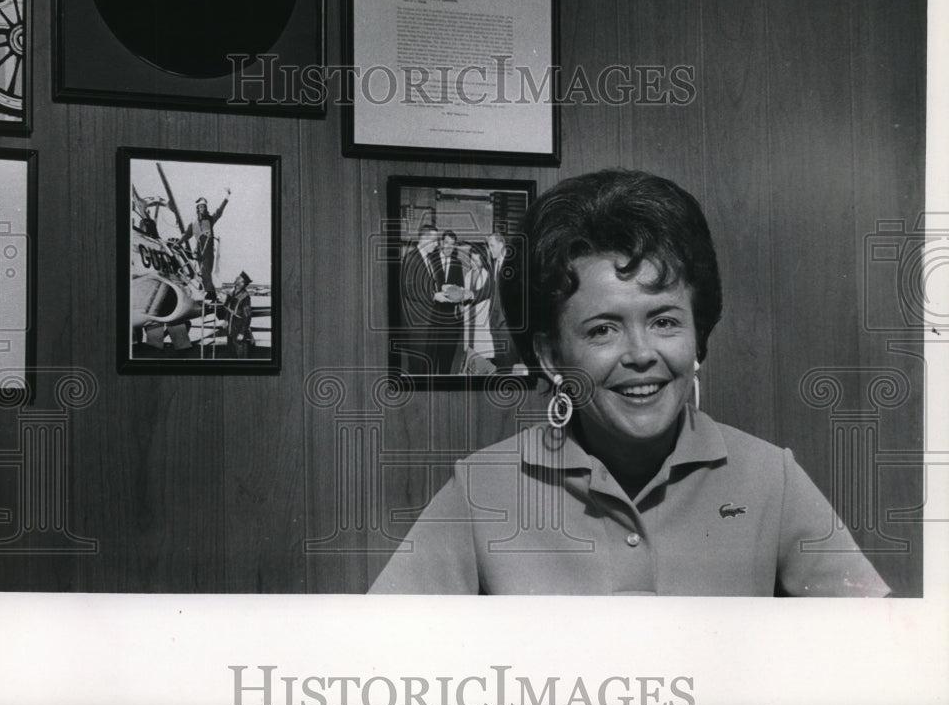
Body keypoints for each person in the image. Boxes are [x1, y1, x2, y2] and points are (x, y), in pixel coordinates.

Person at [370, 169, 890, 596]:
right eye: (603, 329)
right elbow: (374, 662)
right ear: (551, 356)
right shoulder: (479, 489)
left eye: (664, 320)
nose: (642, 354)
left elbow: (881, 656)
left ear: (697, 332)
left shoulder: (771, 478)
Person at [399, 223, 440, 374]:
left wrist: (440, 291)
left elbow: (425, 285)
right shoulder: (411, 258)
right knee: (417, 365)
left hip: (428, 319)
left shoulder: (428, 259)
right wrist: (434, 295)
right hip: (417, 322)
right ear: (423, 239)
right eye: (434, 240)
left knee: (425, 363)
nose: (437, 244)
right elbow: (408, 288)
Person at [181, 189, 230, 301]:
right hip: (198, 253)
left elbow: (219, 212)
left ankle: (211, 294)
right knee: (203, 274)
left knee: (205, 272)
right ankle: (210, 294)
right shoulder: (194, 223)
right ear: (197, 208)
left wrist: (226, 197)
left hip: (208, 253)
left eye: (203, 206)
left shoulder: (210, 220)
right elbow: (186, 235)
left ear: (205, 208)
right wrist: (178, 243)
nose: (202, 208)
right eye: (200, 207)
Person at [431, 229, 466, 374]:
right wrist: (440, 289)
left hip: (451, 319)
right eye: (446, 243)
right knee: (431, 358)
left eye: (452, 245)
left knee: (447, 357)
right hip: (432, 315)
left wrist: (454, 291)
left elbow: (460, 291)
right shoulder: (431, 259)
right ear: (440, 243)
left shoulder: (457, 264)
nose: (448, 247)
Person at [485, 232, 520, 372]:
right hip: (494, 321)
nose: (490, 249)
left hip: (506, 324)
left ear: (501, 245)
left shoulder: (513, 265)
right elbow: (490, 290)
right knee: (500, 362)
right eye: (489, 246)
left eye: (492, 246)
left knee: (509, 361)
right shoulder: (495, 264)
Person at [221, 270, 253, 358]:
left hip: (238, 328)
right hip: (230, 328)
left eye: (239, 278)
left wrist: (242, 333)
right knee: (231, 352)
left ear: (242, 283)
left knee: (241, 353)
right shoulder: (232, 292)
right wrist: (225, 320)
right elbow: (228, 309)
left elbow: (247, 316)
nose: (236, 278)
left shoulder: (245, 297)